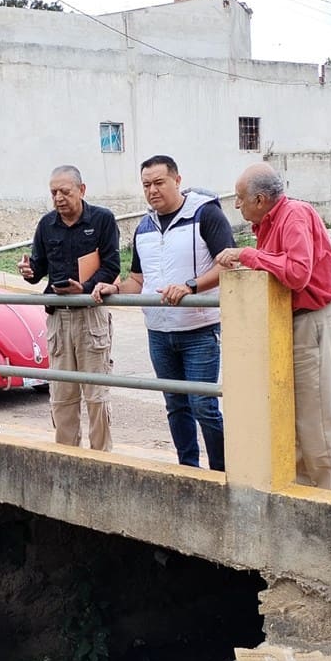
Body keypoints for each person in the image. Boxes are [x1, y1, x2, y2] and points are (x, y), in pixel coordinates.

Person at [92, 155, 235, 471]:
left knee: (203, 405)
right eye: (146, 185)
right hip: (158, 331)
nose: (152, 191)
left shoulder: (206, 214)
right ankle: (188, 469)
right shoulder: (143, 226)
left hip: (199, 329)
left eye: (159, 182)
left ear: (177, 180)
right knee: (175, 405)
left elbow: (228, 264)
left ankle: (223, 471)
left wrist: (191, 286)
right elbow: (138, 282)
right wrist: (114, 288)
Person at [216, 162, 331, 490]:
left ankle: (328, 500)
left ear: (259, 199)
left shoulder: (294, 215)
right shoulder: (269, 222)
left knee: (316, 422)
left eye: (240, 198)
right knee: (293, 420)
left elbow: (298, 273)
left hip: (309, 322)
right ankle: (303, 495)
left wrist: (247, 255)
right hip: (289, 323)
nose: (237, 205)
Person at [18, 165, 120, 452]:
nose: (59, 198)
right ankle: (67, 457)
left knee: (96, 395)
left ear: (82, 190)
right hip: (58, 317)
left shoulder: (102, 219)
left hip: (91, 312)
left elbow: (112, 266)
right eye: (54, 193)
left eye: (65, 191)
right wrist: (28, 270)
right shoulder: (46, 224)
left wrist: (85, 288)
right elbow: (38, 269)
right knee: (62, 395)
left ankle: (101, 459)